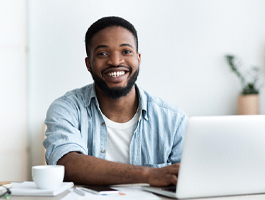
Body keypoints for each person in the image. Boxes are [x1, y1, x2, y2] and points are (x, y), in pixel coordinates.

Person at [43, 16, 188, 186]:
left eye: (126, 51)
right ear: (89, 63)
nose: (115, 61)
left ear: (138, 59)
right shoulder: (66, 109)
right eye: (103, 53)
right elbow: (67, 165)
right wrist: (149, 174)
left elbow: (190, 178)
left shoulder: (174, 120)